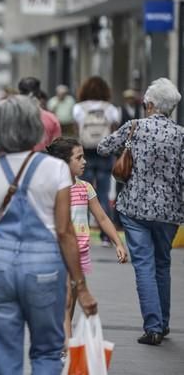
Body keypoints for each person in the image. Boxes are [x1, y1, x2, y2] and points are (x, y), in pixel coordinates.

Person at [0, 95, 98, 374]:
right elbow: (65, 231)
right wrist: (80, 287)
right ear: (34, 127)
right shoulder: (56, 168)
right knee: (47, 351)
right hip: (45, 266)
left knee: (4, 354)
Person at [97, 78, 184, 346]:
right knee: (163, 263)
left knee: (144, 265)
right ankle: (164, 323)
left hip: (135, 208)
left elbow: (103, 148)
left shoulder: (135, 127)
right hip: (169, 211)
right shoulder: (181, 135)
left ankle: (153, 327)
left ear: (149, 105)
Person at [46, 136, 127, 346]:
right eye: (79, 157)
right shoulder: (51, 189)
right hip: (58, 252)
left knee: (71, 301)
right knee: (66, 300)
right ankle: (66, 344)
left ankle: (63, 336)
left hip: (80, 254)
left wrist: (118, 243)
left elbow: (101, 217)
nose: (84, 162)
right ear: (64, 162)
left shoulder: (85, 188)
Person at [73, 76, 121, 246]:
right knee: (102, 194)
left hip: (85, 155)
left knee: (83, 193)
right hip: (105, 155)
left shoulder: (79, 108)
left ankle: (82, 231)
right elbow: (115, 133)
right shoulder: (110, 109)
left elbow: (77, 131)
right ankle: (106, 236)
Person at [17, 76, 61, 151]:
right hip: (43, 159)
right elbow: (56, 148)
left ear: (20, 93)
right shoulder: (51, 118)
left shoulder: (10, 117)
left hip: (16, 160)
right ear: (39, 94)